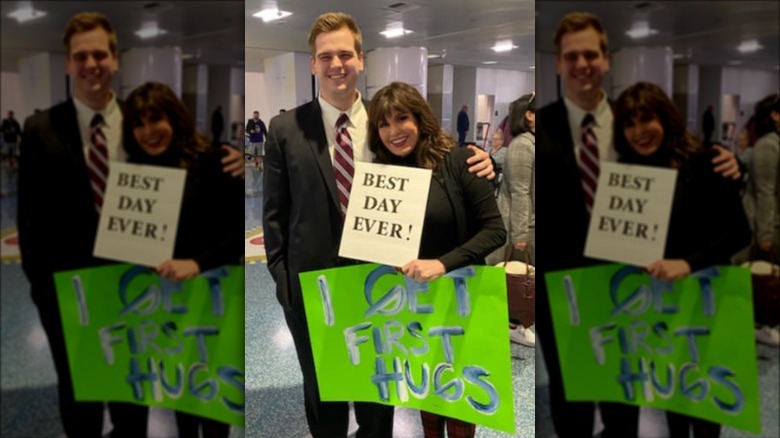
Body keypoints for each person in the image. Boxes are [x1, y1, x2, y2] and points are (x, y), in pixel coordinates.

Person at [262, 12, 495, 438]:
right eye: (325, 56)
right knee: (324, 396)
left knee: (378, 394)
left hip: (382, 285)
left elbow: (439, 163)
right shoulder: (284, 129)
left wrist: (485, 159)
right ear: (313, 63)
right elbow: (274, 215)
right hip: (314, 290)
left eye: (345, 54)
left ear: (361, 59)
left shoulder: (387, 124)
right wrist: (284, 283)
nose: (337, 65)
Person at [17, 12, 244, 438]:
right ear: (67, 63)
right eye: (80, 56)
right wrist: (44, 292)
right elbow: (28, 222)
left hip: (139, 286)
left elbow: (187, 174)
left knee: (133, 393)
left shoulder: (139, 119)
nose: (91, 64)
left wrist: (228, 156)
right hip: (73, 291)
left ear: (115, 59)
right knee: (80, 395)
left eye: (99, 54)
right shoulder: (39, 129)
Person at [535, 11, 742, 438]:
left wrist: (728, 161)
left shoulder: (632, 125)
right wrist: (476, 159)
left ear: (606, 59)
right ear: (558, 64)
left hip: (630, 286)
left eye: (591, 53)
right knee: (571, 401)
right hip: (565, 289)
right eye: (571, 56)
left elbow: (682, 176)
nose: (582, 64)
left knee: (625, 401)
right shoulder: (542, 127)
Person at [368, 81, 506, 438]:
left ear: (420, 118)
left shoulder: (459, 160)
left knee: (460, 397)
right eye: (384, 124)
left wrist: (443, 263)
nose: (394, 131)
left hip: (462, 298)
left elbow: (495, 231)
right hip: (415, 303)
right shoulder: (382, 175)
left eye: (402, 118)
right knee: (427, 391)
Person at [614, 81, 751, 438]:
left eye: (647, 119)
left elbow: (739, 232)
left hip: (706, 296)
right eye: (630, 123)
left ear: (667, 118)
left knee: (704, 399)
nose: (639, 131)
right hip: (659, 300)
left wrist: (689, 263)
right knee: (672, 390)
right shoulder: (628, 171)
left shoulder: (706, 160)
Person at [122, 81, 243, 438]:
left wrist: (198, 263)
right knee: (182, 391)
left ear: (174, 117)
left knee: (214, 394)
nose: (148, 131)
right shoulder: (135, 171)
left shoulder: (216, 160)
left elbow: (239, 233)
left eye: (155, 119)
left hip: (213, 295)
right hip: (167, 301)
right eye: (138, 124)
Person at [744, 93, 780, 346]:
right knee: (765, 279)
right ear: (774, 115)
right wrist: (765, 235)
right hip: (767, 224)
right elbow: (765, 192)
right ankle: (761, 324)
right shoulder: (768, 145)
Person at [500, 93, 536, 347]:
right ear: (529, 115)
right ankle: (513, 324)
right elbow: (519, 192)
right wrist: (520, 237)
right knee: (519, 280)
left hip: (531, 222)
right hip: (522, 225)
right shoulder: (523, 145)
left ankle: (517, 322)